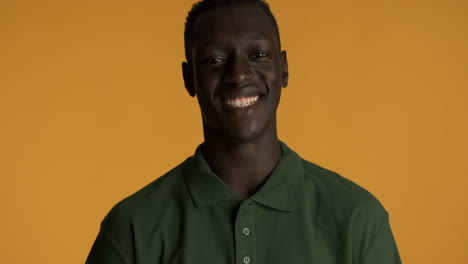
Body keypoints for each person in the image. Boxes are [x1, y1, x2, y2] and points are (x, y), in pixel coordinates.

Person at [86, 0, 402, 263]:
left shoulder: (357, 219)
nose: (238, 75)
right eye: (214, 60)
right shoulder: (131, 230)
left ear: (284, 69)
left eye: (259, 55)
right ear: (189, 78)